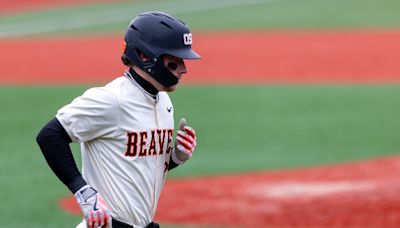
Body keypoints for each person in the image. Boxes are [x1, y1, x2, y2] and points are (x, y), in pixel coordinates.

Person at [36, 11, 200, 228]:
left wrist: (174, 157)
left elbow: (137, 165)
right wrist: (83, 192)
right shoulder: (112, 99)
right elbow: (50, 136)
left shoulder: (163, 102)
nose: (184, 69)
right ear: (144, 56)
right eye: (175, 61)